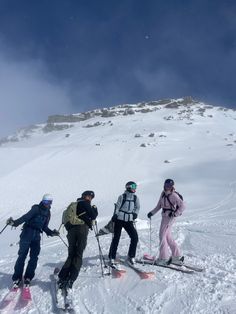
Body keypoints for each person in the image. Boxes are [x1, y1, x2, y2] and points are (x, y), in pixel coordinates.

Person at [6, 194, 59, 287]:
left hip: (37, 236)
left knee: (34, 257)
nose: (47, 204)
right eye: (46, 201)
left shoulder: (48, 213)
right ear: (42, 201)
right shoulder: (36, 209)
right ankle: (17, 278)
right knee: (22, 256)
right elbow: (25, 217)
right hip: (27, 233)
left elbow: (44, 227)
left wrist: (51, 232)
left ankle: (28, 277)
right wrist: (14, 223)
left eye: (49, 202)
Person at [58, 190, 98, 289]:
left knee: (71, 254)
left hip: (71, 231)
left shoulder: (75, 204)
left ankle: (62, 277)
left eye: (91, 197)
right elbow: (93, 216)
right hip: (82, 229)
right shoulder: (85, 203)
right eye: (89, 197)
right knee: (79, 254)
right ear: (84, 196)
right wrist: (95, 209)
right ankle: (72, 278)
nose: (90, 199)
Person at [147, 179, 185, 265]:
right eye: (166, 185)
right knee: (167, 236)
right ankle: (176, 257)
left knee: (162, 236)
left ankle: (163, 258)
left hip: (170, 218)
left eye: (170, 185)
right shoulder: (163, 193)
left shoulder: (174, 195)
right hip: (164, 217)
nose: (168, 187)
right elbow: (159, 206)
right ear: (164, 185)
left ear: (172, 186)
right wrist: (152, 213)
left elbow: (183, 206)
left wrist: (175, 214)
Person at [108, 181, 140, 266]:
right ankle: (112, 256)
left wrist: (135, 213)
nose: (135, 188)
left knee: (135, 237)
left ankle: (131, 255)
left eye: (135, 186)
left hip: (129, 220)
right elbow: (117, 206)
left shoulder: (135, 198)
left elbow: (138, 207)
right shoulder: (122, 196)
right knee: (116, 238)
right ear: (128, 187)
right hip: (119, 219)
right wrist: (115, 215)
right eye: (133, 186)